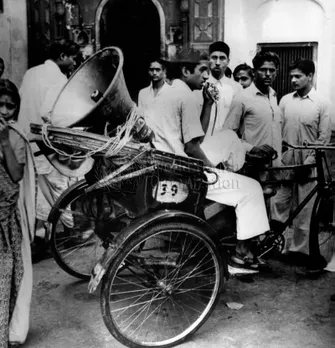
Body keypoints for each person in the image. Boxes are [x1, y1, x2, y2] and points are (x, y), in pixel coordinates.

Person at [139, 50, 270, 270]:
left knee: (228, 137)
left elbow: (195, 135)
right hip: (185, 172)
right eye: (202, 71)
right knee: (253, 189)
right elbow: (192, 147)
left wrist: (208, 104)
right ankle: (241, 256)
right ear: (185, 71)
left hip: (165, 165)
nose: (206, 77)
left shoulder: (161, 94)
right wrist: (211, 170)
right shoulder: (186, 97)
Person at [17, 40, 80, 260]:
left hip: (27, 141)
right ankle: (43, 240)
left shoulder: (30, 73)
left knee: (35, 189)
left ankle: (40, 237)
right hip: (46, 143)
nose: (74, 62)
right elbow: (54, 115)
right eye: (73, 57)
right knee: (56, 190)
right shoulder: (59, 79)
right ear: (62, 56)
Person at [271, 59, 332, 263]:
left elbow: (323, 138)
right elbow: (277, 131)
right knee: (278, 203)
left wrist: (309, 161)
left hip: (309, 164)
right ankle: (271, 245)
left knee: (305, 210)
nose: (293, 80)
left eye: (298, 76)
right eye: (291, 77)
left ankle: (299, 252)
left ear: (310, 76)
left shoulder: (323, 103)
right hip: (287, 161)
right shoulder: (285, 100)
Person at [0, 79, 36, 348]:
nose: (3, 110)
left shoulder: (16, 136)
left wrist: (3, 141)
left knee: (8, 276)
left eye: (9, 106)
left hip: (5, 218)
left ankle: (8, 332)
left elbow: (15, 175)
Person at [224, 51, 282, 167]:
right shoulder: (241, 98)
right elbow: (227, 135)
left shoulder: (274, 96)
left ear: (277, 72)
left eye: (272, 70)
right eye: (263, 70)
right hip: (252, 167)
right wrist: (251, 148)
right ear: (254, 72)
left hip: (275, 168)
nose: (267, 74)